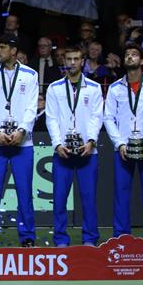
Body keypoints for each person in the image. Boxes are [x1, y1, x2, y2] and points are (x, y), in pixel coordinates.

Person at [104, 43, 143, 244]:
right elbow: (108, 118)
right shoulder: (115, 88)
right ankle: (121, 239)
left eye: (134, 55)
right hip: (123, 148)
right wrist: (119, 144)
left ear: (142, 60)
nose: (130, 57)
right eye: (127, 55)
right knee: (121, 195)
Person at [0, 35, 40, 248]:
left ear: (13, 50)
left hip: (23, 143)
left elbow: (32, 107)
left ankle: (27, 237)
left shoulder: (31, 75)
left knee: (24, 191)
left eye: (2, 47)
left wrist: (22, 130)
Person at [45, 47, 104, 247]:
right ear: (64, 61)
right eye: (69, 59)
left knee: (88, 199)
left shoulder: (94, 88)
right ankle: (60, 239)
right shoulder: (54, 88)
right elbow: (51, 118)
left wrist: (91, 141)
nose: (72, 62)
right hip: (62, 151)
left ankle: (90, 239)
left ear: (82, 61)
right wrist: (57, 144)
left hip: (88, 150)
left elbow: (97, 117)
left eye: (76, 59)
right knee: (60, 199)